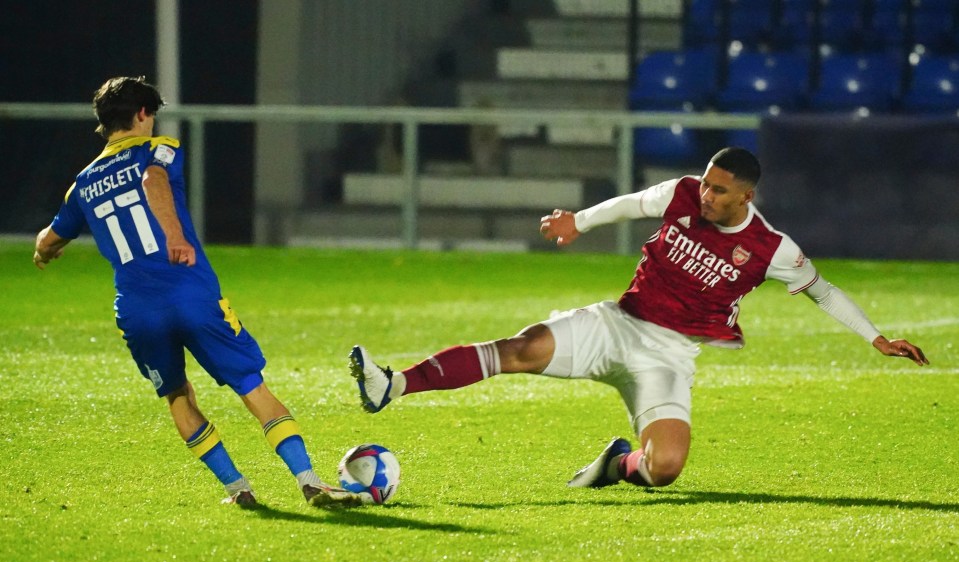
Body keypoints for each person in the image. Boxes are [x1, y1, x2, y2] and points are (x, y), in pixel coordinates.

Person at [349, 147, 928, 490]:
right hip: (617, 323)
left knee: (666, 468)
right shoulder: (680, 193)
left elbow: (822, 292)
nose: (705, 194)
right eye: (705, 181)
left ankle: (616, 464)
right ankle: (391, 384)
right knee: (518, 349)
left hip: (668, 356)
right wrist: (579, 221)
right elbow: (631, 205)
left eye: (720, 190)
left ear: (746, 196)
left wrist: (876, 338)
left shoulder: (770, 248)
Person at [33, 76, 360, 509]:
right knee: (250, 385)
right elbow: (153, 181)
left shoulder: (83, 183)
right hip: (190, 291)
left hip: (136, 309)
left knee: (177, 394)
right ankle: (308, 479)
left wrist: (45, 252)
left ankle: (237, 487)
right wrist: (174, 236)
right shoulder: (158, 149)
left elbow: (48, 241)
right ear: (143, 114)